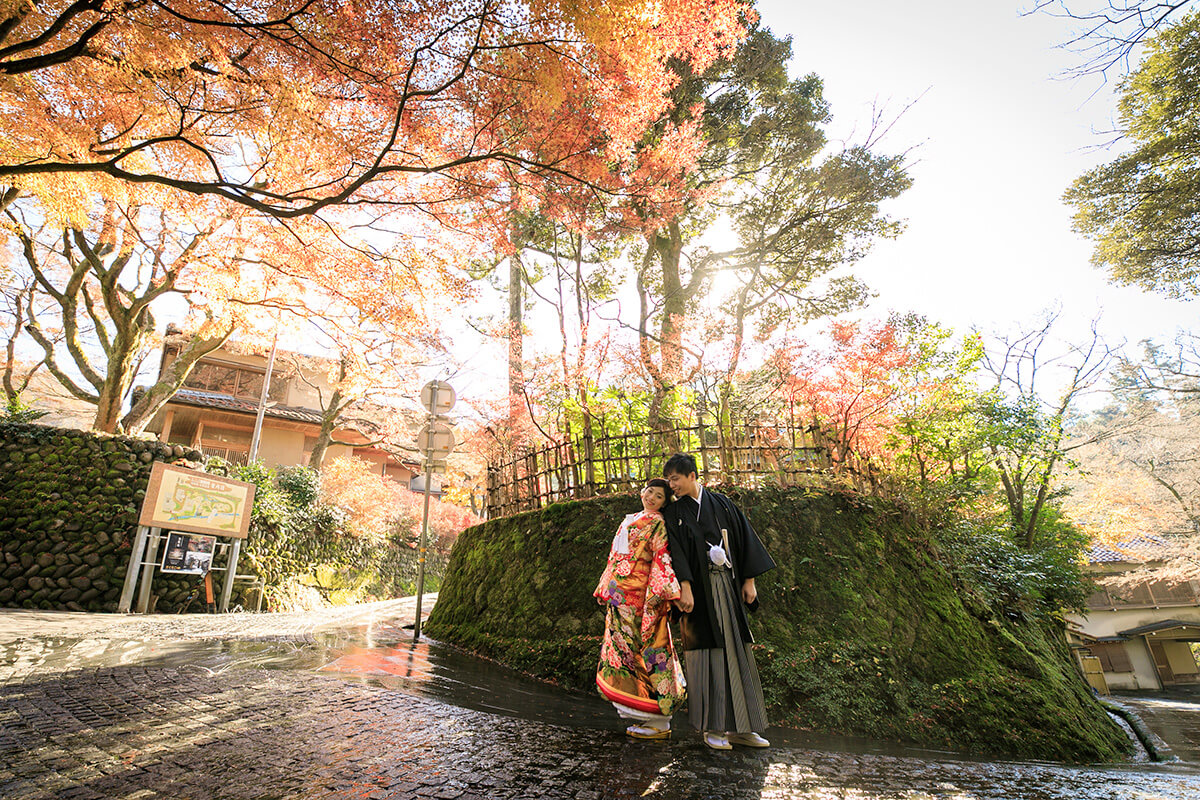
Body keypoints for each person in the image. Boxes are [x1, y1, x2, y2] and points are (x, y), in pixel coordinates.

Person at [662, 452, 776, 750]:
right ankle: (713, 727)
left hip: (728, 584)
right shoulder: (673, 514)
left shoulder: (723, 503)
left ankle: (743, 727)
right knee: (706, 656)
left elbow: (743, 538)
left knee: (738, 653)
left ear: (691, 476)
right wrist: (684, 587)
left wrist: (749, 581)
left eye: (676, 478)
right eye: (670, 479)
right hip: (698, 593)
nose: (672, 485)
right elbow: (676, 552)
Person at [594, 478, 687, 739]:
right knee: (622, 649)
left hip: (641, 596)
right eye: (649, 492)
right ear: (642, 491)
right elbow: (615, 557)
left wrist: (662, 593)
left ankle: (658, 714)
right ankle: (640, 709)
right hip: (619, 595)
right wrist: (606, 586)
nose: (652, 498)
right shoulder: (630, 518)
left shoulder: (657, 523)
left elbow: (661, 556)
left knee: (646, 647)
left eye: (659, 496)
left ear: (665, 502)